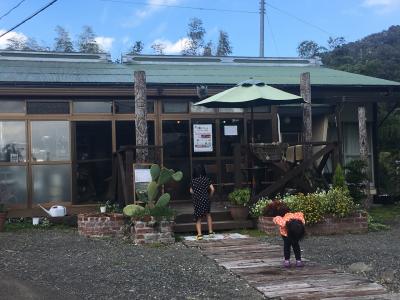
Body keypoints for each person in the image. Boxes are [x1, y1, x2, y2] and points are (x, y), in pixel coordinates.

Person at [190, 164, 215, 240]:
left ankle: (200, 234)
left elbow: (191, 191)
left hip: (197, 200)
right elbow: (213, 189)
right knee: (208, 215)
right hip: (206, 199)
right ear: (203, 171)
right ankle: (210, 232)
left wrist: (196, 194)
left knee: (198, 218)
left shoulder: (193, 181)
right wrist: (209, 196)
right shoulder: (206, 179)